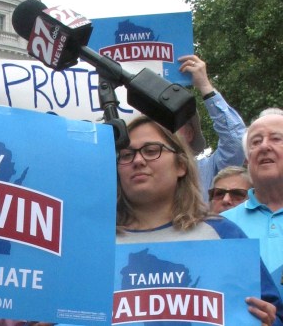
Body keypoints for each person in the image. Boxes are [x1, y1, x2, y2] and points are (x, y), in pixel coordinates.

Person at [116, 115, 281, 325]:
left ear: (181, 165)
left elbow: (274, 314)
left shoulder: (224, 234)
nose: (138, 161)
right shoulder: (96, 245)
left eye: (151, 151)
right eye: (126, 154)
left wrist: (270, 321)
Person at [221, 108, 283, 297]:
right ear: (247, 160)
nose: (264, 146)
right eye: (256, 142)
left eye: (276, 138)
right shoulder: (221, 226)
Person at [176, 54, 246, 201]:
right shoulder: (135, 169)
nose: (163, 129)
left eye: (172, 122)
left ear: (189, 133)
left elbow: (236, 142)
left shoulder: (210, 169)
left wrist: (204, 86)